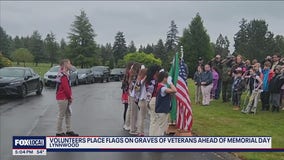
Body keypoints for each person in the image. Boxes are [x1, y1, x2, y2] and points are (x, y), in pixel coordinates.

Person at [55, 59, 79, 136]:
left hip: (65, 97)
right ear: (65, 64)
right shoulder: (63, 75)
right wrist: (70, 97)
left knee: (68, 114)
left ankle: (69, 130)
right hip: (63, 98)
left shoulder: (65, 73)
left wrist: (69, 97)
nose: (70, 65)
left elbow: (68, 87)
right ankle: (59, 132)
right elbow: (66, 88)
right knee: (61, 115)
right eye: (69, 64)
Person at [154, 71, 177, 136]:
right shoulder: (163, 88)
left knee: (160, 127)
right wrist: (170, 83)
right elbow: (175, 90)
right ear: (164, 78)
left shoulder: (161, 86)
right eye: (167, 78)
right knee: (161, 128)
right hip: (162, 111)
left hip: (161, 110)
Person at [145, 65, 161, 136]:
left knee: (153, 119)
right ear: (156, 72)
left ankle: (152, 134)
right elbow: (149, 93)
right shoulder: (153, 82)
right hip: (154, 100)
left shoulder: (149, 80)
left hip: (151, 100)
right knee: (155, 120)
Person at [135, 66, 148, 136]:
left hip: (140, 99)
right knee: (142, 117)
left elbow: (136, 90)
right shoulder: (143, 81)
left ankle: (139, 131)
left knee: (141, 116)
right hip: (143, 99)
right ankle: (141, 132)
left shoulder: (138, 80)